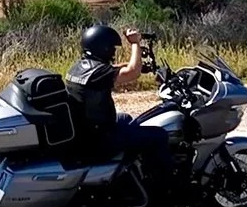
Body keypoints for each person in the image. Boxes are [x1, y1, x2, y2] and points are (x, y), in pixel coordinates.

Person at [65, 23, 174, 186]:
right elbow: (132, 73)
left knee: (126, 118)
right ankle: (165, 185)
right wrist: (136, 43)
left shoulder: (79, 67)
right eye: (112, 48)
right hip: (100, 139)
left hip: (87, 131)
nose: (114, 52)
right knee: (159, 135)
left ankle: (131, 170)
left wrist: (138, 65)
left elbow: (110, 69)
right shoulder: (98, 73)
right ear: (104, 48)